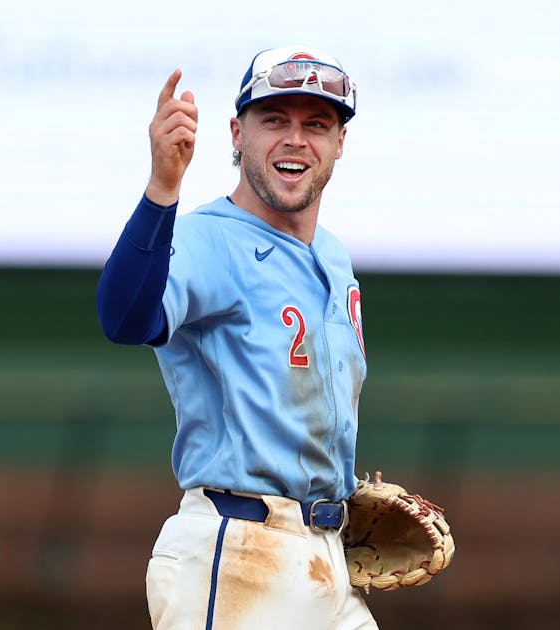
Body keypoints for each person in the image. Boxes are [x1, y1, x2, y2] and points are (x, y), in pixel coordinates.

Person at [96, 45, 378, 629]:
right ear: (237, 134)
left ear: (339, 144)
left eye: (316, 124)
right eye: (275, 120)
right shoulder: (209, 239)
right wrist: (161, 187)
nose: (296, 139)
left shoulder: (333, 255)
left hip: (326, 557)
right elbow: (124, 319)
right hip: (237, 555)